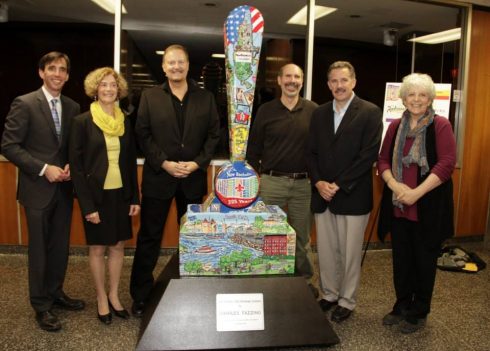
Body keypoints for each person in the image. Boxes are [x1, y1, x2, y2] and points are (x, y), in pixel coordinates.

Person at [130, 44, 220, 316]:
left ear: (188, 65)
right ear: (164, 66)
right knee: (149, 238)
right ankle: (141, 295)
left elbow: (214, 135)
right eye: (171, 62)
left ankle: (191, 290)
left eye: (181, 62)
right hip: (159, 178)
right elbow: (142, 134)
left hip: (192, 180)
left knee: (193, 238)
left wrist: (197, 163)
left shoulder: (206, 98)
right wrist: (165, 163)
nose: (176, 67)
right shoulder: (149, 96)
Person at [1, 51, 85, 331]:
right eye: (52, 69)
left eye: (62, 70)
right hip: (37, 189)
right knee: (39, 250)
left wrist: (73, 163)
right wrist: (43, 168)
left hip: (63, 190)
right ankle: (41, 305)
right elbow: (10, 146)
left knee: (59, 248)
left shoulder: (72, 107)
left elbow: (72, 146)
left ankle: (55, 292)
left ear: (68, 76)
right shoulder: (24, 103)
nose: (57, 74)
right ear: (41, 72)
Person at [377, 73, 456, 333]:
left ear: (430, 98)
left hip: (427, 207)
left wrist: (415, 193)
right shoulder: (395, 127)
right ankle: (401, 305)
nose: (417, 99)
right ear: (403, 98)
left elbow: (446, 164)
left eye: (423, 95)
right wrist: (395, 186)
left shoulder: (440, 125)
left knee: (424, 261)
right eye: (411, 94)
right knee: (401, 260)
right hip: (399, 205)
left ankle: (419, 311)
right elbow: (383, 161)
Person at [307, 61, 382, 323]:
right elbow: (311, 152)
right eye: (334, 81)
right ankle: (329, 294)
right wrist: (318, 182)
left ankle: (347, 300)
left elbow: (368, 155)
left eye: (344, 80)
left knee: (350, 253)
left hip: (352, 194)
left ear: (353, 82)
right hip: (322, 194)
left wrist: (337, 184)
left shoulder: (370, 112)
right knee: (326, 251)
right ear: (328, 84)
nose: (339, 85)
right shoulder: (319, 113)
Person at [69, 67, 140, 325]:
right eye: (103, 85)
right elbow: (76, 168)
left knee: (118, 245)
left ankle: (114, 295)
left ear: (118, 90)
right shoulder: (82, 122)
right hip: (95, 196)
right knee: (98, 248)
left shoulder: (125, 121)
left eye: (112, 85)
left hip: (120, 194)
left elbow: (130, 161)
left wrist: (134, 197)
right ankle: (101, 298)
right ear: (95, 89)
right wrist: (87, 205)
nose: (108, 89)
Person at [247, 63, 318, 294]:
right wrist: (254, 177)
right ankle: (270, 279)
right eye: (288, 76)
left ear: (302, 80)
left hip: (303, 185)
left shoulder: (314, 111)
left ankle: (305, 282)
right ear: (279, 80)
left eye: (297, 77)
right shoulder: (266, 110)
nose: (292, 81)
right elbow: (254, 148)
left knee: (301, 237)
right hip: (271, 183)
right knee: (270, 233)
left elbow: (320, 149)